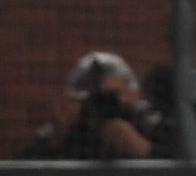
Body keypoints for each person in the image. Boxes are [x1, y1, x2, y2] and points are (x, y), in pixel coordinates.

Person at [17, 51, 174, 160]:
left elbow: (187, 175)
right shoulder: (70, 131)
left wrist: (145, 150)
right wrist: (57, 134)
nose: (102, 105)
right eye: (93, 98)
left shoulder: (148, 124)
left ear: (134, 93)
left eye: (112, 96)